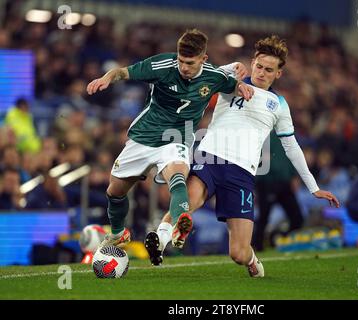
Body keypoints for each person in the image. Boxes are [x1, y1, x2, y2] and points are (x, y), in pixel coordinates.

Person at [145, 35, 339, 277]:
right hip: (210, 157)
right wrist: (230, 68)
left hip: (242, 172)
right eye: (258, 66)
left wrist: (313, 188)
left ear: (278, 74)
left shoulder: (278, 104)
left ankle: (252, 260)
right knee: (189, 200)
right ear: (252, 62)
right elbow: (200, 76)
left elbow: (292, 147)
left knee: (238, 253)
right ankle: (160, 240)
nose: (261, 73)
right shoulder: (230, 82)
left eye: (269, 70)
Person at [86, 29, 253, 248]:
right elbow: (124, 72)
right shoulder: (162, 65)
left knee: (178, 176)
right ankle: (118, 233)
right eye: (181, 60)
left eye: (190, 63)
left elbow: (232, 84)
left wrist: (241, 84)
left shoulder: (214, 77)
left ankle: (181, 221)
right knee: (114, 191)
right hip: (145, 135)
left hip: (178, 137)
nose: (184, 67)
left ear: (204, 59)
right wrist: (107, 77)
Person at [253, 131, 304, 252]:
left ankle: (279, 238)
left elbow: (292, 154)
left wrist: (294, 175)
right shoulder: (261, 131)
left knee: (297, 218)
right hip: (267, 182)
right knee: (264, 217)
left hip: (284, 182)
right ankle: (257, 246)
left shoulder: (286, 132)